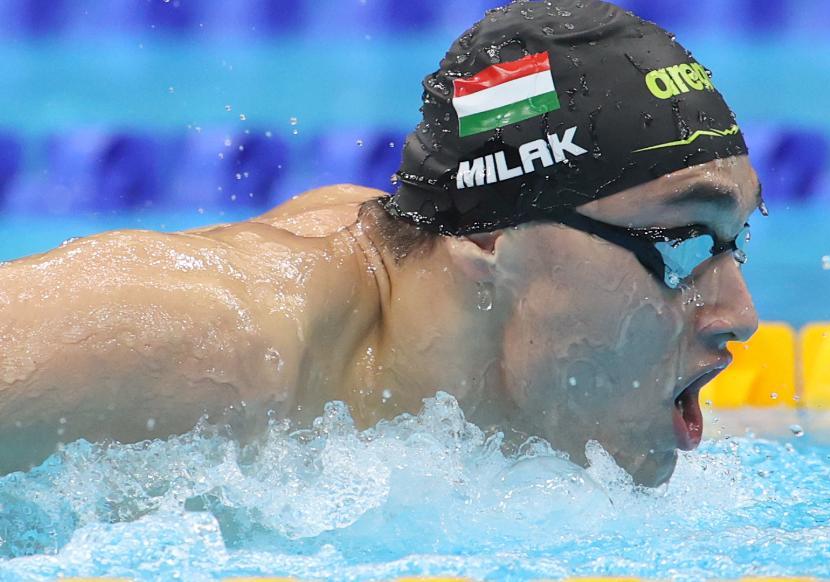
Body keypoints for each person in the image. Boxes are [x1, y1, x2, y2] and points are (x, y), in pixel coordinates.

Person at [0, 0, 762, 486]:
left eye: (735, 243)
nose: (741, 315)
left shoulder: (465, 405)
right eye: (682, 241)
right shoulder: (204, 343)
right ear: (489, 235)